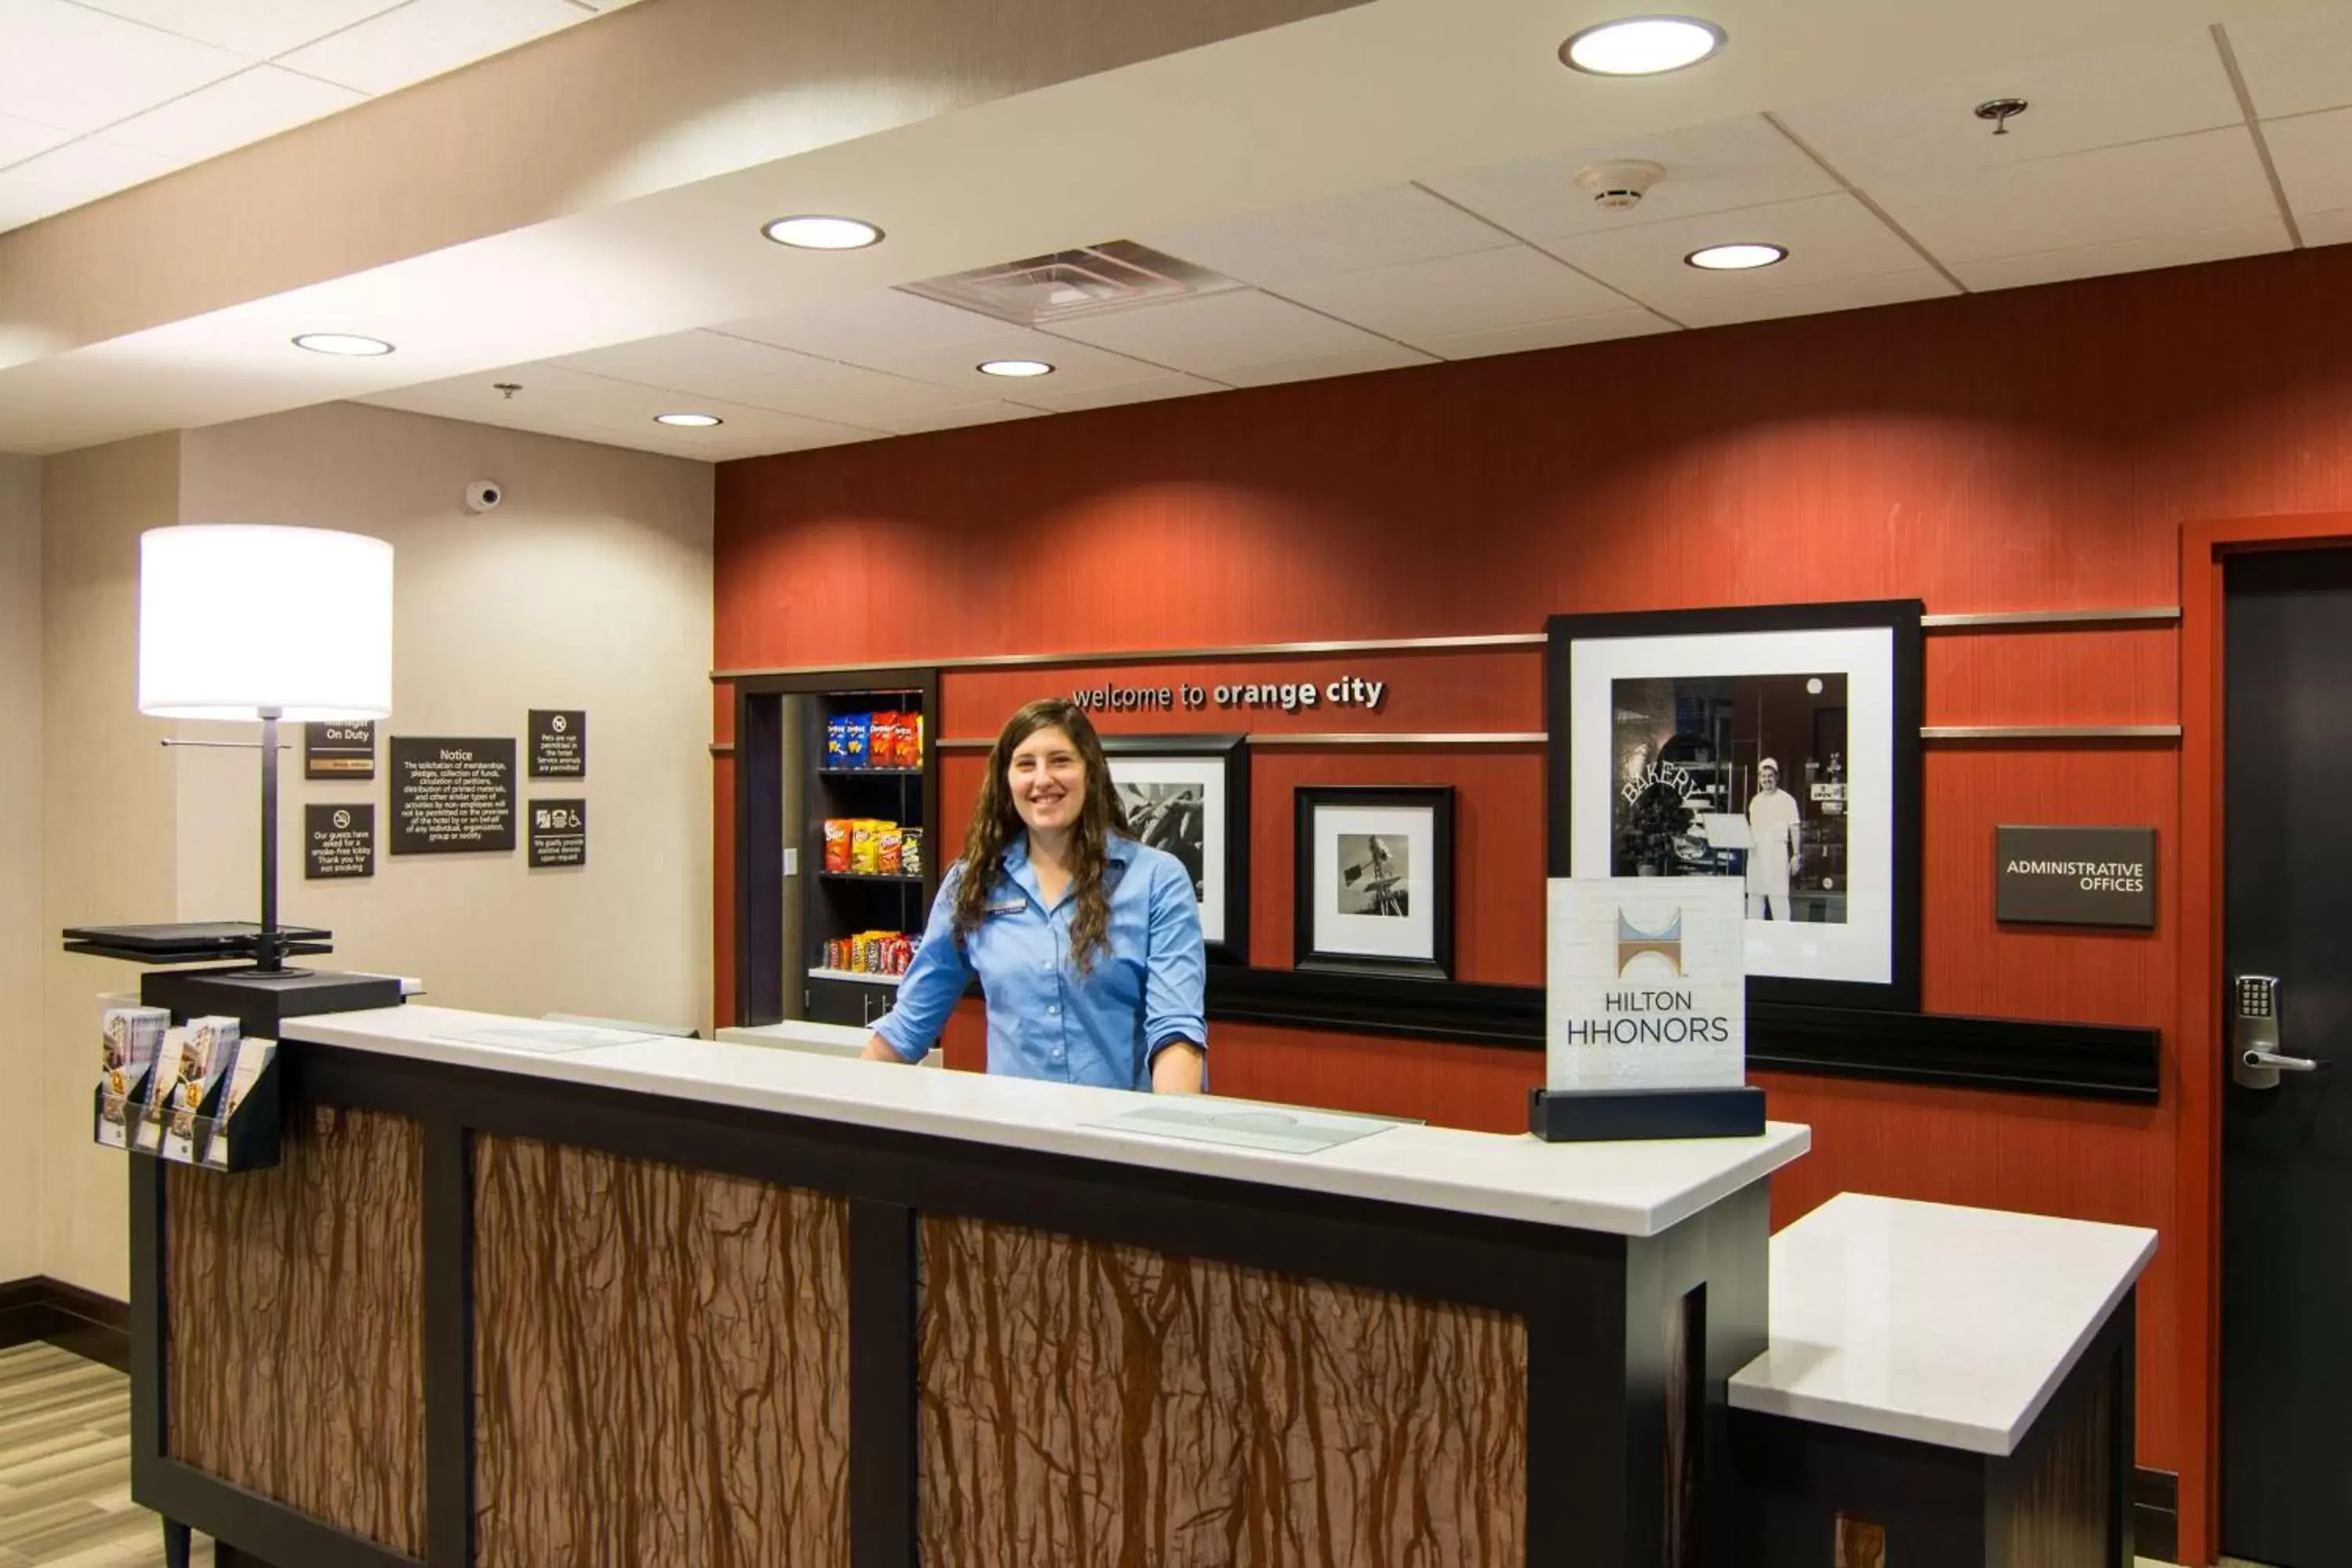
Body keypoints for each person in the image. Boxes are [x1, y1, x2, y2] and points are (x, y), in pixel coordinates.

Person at [861, 699, 1207, 1092]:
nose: (1042, 779)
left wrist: (1167, 1139)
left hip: (1122, 1136)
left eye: (1060, 761)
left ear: (1090, 773)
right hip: (1017, 1139)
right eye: (1026, 764)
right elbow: (910, 1023)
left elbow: (1175, 1031)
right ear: (1007, 781)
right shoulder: (972, 881)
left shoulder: (1156, 879)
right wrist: (840, 1108)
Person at [1745, 757, 1802, 921]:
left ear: (1777, 777)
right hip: (1756, 854)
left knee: (1778, 898)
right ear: (1759, 778)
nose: (1766, 779)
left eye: (1770, 775)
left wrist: (1796, 855)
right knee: (1755, 897)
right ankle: (1755, 938)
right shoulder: (1755, 802)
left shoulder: (1787, 800)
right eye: (1763, 776)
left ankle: (1783, 939)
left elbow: (1795, 828)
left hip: (1777, 853)